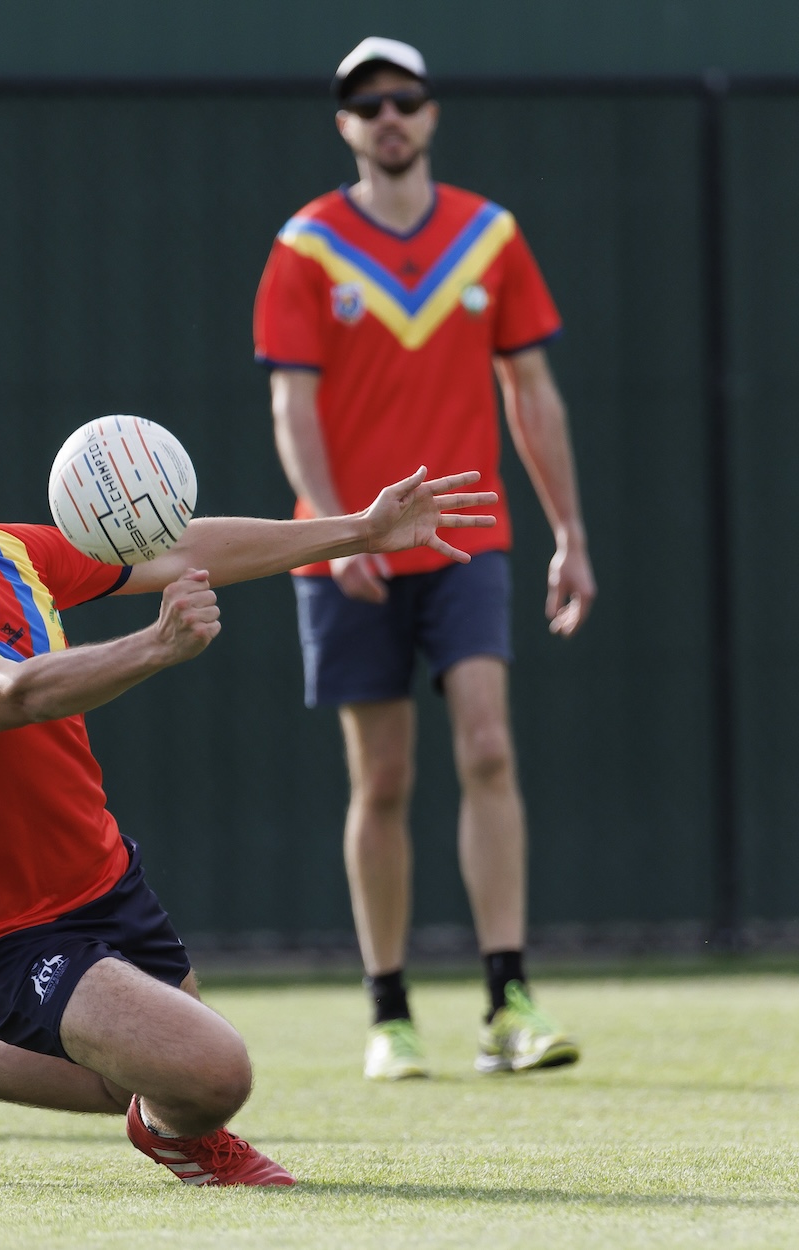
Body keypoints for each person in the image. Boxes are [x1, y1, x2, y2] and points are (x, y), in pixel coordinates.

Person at [0, 424, 495, 1183]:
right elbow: (17, 692)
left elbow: (179, 548)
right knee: (214, 1073)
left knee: (149, 1080)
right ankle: (181, 1139)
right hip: (3, 937)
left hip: (105, 878)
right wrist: (153, 647)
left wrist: (359, 530)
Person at [252, 37, 595, 1081]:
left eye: (403, 98)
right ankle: (388, 1010)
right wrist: (331, 522)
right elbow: (289, 405)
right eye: (366, 103)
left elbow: (530, 391)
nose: (388, 115)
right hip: (350, 544)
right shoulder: (305, 247)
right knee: (383, 775)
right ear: (344, 124)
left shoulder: (487, 236)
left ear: (431, 114)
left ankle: (507, 1000)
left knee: (487, 745)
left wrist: (568, 533)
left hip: (466, 536)